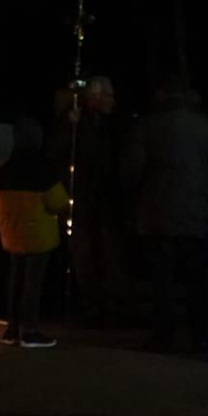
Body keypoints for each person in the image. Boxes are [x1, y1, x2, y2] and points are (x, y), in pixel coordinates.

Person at [121, 76, 208, 352]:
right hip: (195, 213)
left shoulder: (147, 125)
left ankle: (163, 335)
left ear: (162, 94)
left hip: (155, 214)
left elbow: (130, 170)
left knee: (162, 281)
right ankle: (201, 334)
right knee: (197, 278)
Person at [0, 115, 70, 349]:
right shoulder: (43, 169)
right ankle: (30, 330)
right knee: (32, 283)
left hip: (11, 233)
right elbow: (59, 203)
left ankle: (12, 329)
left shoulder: (3, 172)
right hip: (39, 236)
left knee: (15, 280)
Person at [65, 77, 122, 327]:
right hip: (87, 200)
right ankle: (93, 306)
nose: (113, 101)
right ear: (96, 98)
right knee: (87, 254)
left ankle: (108, 305)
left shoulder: (109, 126)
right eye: (108, 96)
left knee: (106, 255)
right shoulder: (80, 126)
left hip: (104, 200)